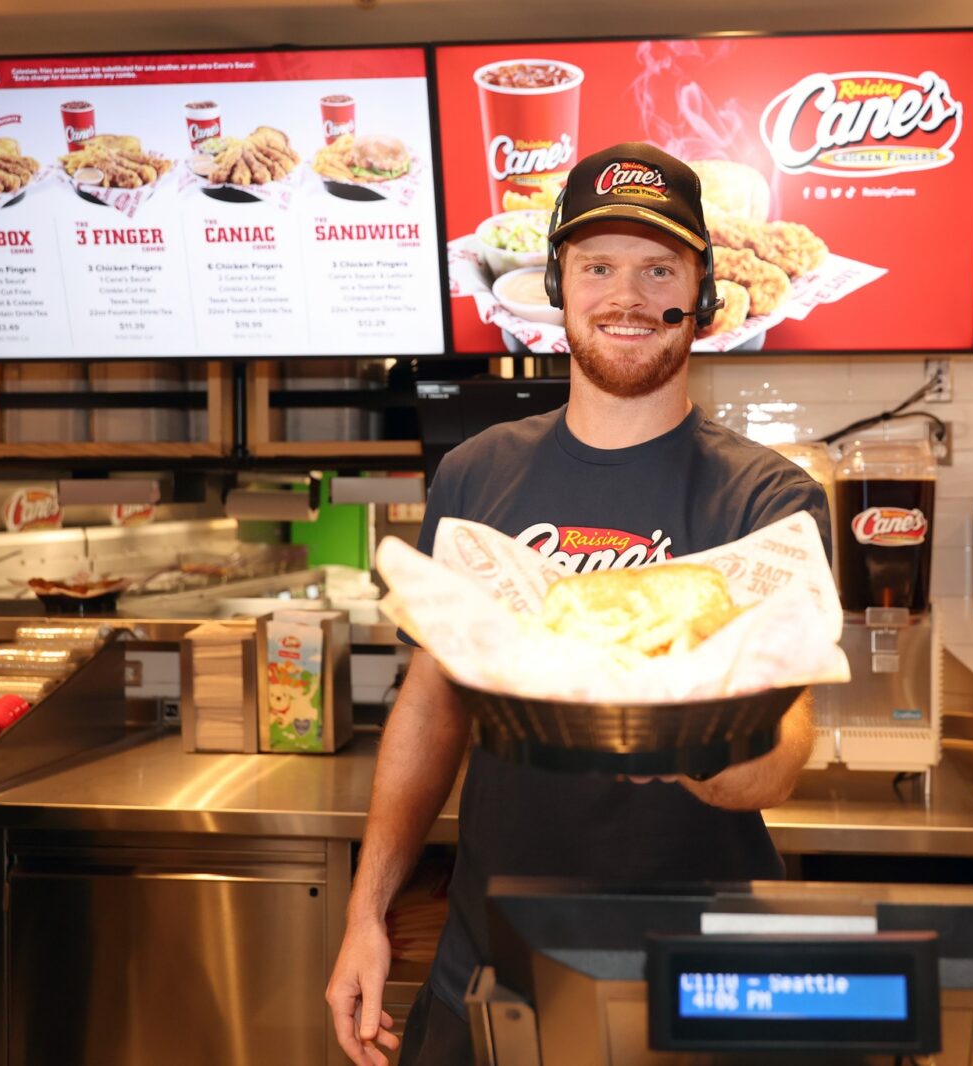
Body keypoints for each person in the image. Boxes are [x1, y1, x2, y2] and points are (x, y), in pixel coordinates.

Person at [326, 143, 831, 1066]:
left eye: (658, 269)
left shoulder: (768, 501)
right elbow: (432, 706)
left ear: (703, 295)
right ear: (557, 287)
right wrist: (368, 912)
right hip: (495, 960)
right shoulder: (476, 474)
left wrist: (682, 744)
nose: (625, 296)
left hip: (699, 977)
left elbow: (782, 758)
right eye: (597, 267)